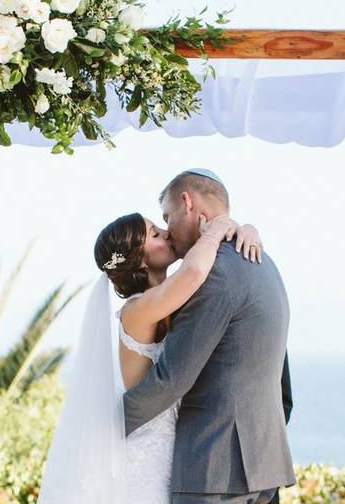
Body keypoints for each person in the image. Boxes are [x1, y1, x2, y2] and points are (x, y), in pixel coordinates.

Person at [123, 169, 294, 504]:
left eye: (167, 217)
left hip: (213, 469)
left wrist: (107, 424)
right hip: (265, 466)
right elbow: (280, 379)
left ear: (187, 203)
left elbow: (172, 378)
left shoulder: (214, 272)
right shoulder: (265, 262)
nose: (168, 231)